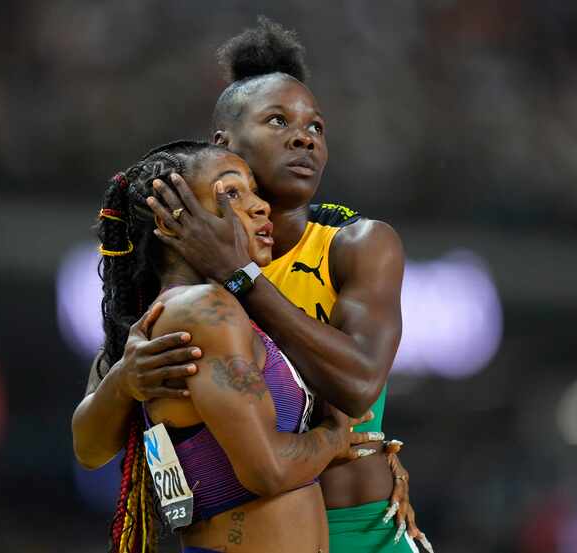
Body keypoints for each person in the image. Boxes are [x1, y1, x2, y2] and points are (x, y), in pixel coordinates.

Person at [140, 19, 427, 553]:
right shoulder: (183, 261)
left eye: (316, 128)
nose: (304, 137)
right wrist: (122, 382)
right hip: (241, 535)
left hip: (357, 532)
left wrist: (241, 279)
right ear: (224, 143)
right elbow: (93, 435)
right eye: (279, 121)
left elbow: (359, 383)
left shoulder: (356, 244)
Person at [72, 140, 377, 553]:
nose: (260, 206)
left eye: (254, 190)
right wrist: (333, 439)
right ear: (171, 219)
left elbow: (88, 449)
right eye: (232, 192)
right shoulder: (203, 311)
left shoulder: (209, 308)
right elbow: (267, 472)